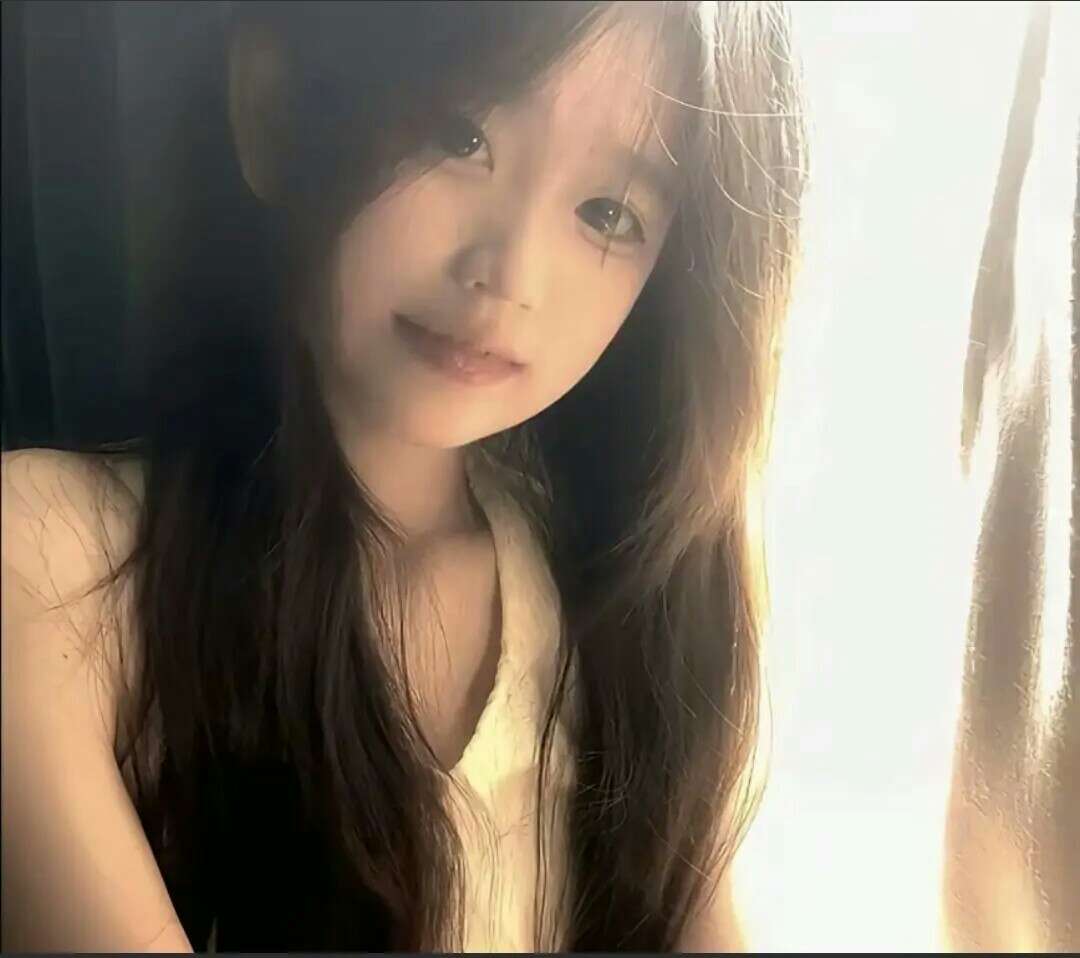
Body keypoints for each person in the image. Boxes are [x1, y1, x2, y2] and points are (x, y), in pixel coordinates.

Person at [1, 0, 806, 951]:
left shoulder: (622, 597)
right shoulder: (50, 570)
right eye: (458, 134)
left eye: (607, 214)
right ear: (270, 107)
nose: (510, 273)